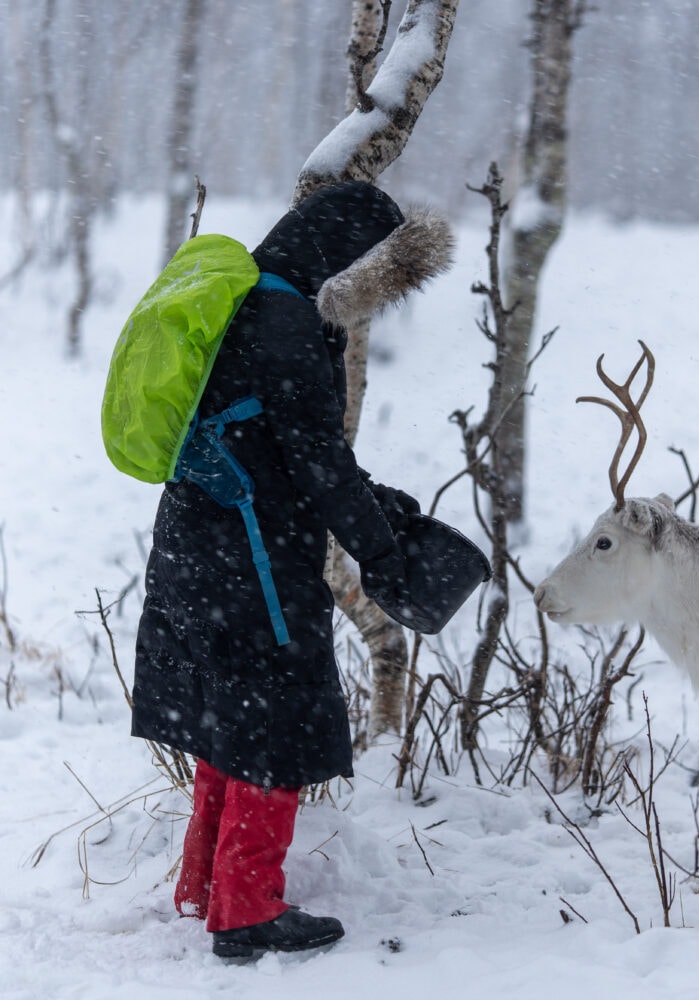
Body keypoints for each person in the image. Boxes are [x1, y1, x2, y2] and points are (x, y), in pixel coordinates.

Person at [130, 181, 453, 960]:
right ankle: (245, 910)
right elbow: (318, 460)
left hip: (195, 541)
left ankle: (203, 888)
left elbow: (278, 439)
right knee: (276, 721)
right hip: (252, 552)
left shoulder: (245, 297)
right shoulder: (284, 321)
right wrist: (384, 552)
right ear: (347, 259)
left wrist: (376, 508)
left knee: (228, 717)